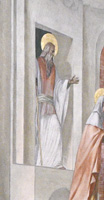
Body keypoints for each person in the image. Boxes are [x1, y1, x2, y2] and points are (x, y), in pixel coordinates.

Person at [34, 35, 77, 168]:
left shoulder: (53, 68)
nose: (52, 55)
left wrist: (68, 83)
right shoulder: (37, 63)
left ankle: (56, 163)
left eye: (54, 52)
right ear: (46, 50)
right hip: (41, 106)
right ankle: (42, 162)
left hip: (50, 106)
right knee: (42, 134)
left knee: (56, 128)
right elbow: (34, 79)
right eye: (51, 52)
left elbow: (58, 85)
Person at [63, 93, 104, 200]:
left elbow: (97, 137)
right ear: (101, 105)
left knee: (92, 188)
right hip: (87, 161)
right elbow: (93, 137)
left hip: (92, 159)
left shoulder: (97, 119)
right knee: (86, 186)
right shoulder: (94, 117)